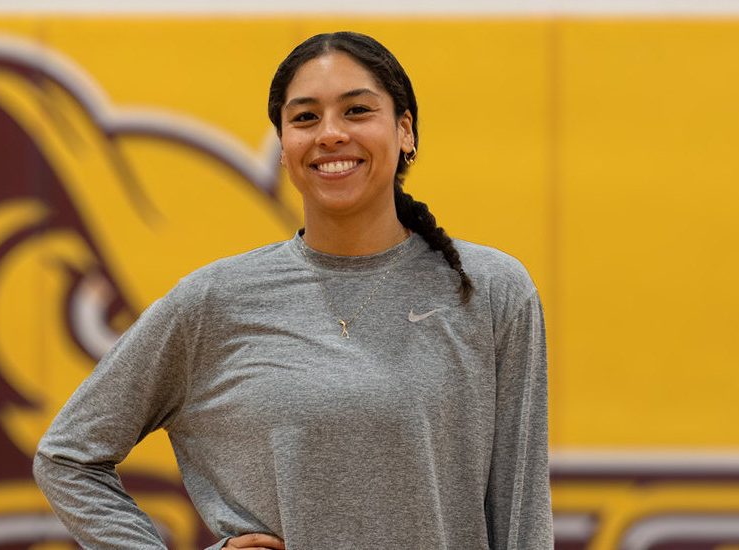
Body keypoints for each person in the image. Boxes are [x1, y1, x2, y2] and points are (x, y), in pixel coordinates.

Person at [33, 31, 553, 550]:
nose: (330, 134)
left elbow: (521, 512)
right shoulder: (216, 301)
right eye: (305, 118)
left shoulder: (489, 290)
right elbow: (67, 457)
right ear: (284, 148)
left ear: (405, 131)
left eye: (356, 111)